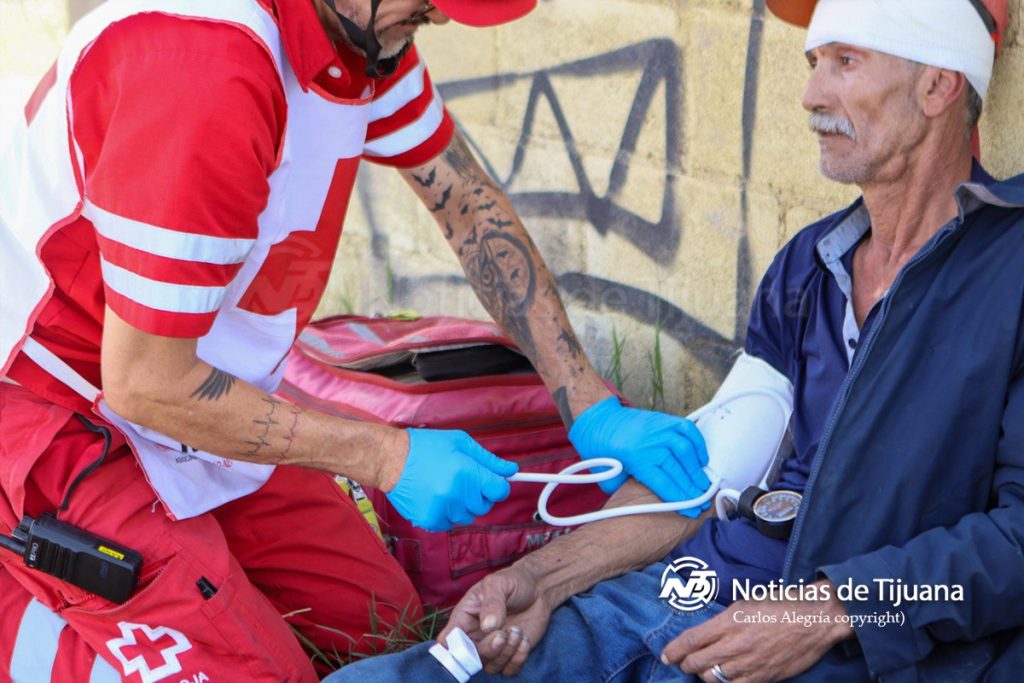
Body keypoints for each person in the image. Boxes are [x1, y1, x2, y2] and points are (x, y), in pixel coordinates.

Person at [0, 0, 712, 681]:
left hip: (197, 398)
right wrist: (384, 455)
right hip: (62, 420)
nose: (440, 15)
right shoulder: (204, 64)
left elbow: (468, 206)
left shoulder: (359, 41)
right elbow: (146, 382)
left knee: (383, 634)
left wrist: (589, 405)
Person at [325, 0, 1024, 681]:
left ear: (937, 85)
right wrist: (542, 576)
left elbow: (1016, 545)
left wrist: (827, 610)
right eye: (814, 63)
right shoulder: (811, 264)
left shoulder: (1011, 271)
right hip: (684, 595)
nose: (811, 94)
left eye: (845, 61)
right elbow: (711, 471)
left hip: (855, 645)